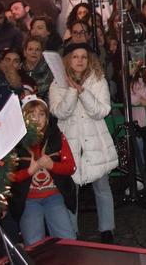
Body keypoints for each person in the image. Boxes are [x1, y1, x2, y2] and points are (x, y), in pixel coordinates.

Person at [49, 42, 117, 243]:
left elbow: (102, 111)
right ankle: (71, 230)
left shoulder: (98, 81)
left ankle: (107, 228)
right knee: (71, 190)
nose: (79, 61)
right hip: (69, 143)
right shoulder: (56, 84)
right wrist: (71, 91)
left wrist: (83, 92)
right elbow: (60, 112)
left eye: (84, 57)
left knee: (102, 187)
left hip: (95, 140)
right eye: (75, 56)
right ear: (68, 60)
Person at [9, 95, 77, 245]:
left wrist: (52, 166)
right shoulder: (16, 142)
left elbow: (71, 167)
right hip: (28, 201)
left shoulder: (57, 138)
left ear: (46, 118)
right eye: (31, 115)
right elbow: (9, 177)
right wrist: (29, 171)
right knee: (34, 243)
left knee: (67, 239)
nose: (37, 119)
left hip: (54, 197)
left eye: (41, 114)